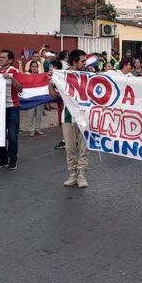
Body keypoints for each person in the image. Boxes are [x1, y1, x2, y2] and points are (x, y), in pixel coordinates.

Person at [62, 50, 89, 188]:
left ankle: (81, 175)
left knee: (84, 148)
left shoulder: (87, 75)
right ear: (74, 62)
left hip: (84, 116)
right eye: (83, 61)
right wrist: (50, 81)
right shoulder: (62, 75)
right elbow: (53, 95)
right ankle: (72, 174)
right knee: (70, 148)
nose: (85, 63)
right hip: (67, 116)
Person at [0, 50, 23, 170]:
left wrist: (11, 78)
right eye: (0, 57)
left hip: (12, 107)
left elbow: (20, 88)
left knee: (12, 135)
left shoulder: (14, 71)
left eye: (3, 57)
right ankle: (3, 159)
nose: (0, 59)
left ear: (10, 60)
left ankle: (13, 159)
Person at [26, 60, 45, 138]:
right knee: (31, 115)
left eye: (36, 66)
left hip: (39, 99)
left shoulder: (41, 76)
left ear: (38, 68)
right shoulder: (27, 76)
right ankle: (31, 130)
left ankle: (37, 129)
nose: (34, 68)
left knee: (39, 115)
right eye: (33, 66)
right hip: (30, 99)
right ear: (30, 67)